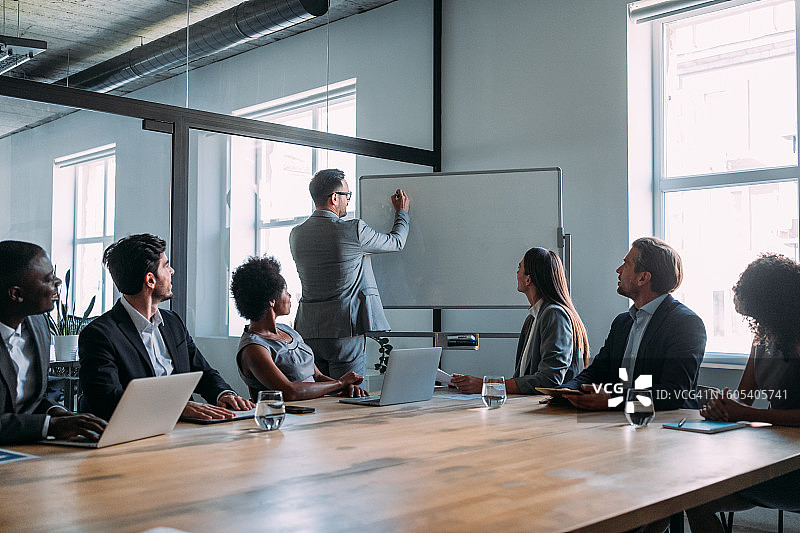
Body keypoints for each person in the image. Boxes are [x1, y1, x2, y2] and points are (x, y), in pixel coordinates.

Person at [79, 234, 253, 421]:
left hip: (187, 430)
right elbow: (107, 400)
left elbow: (202, 371)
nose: (172, 271)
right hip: (135, 437)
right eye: (166, 265)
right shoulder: (99, 335)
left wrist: (223, 394)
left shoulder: (173, 322)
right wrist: (175, 407)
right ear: (150, 280)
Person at [686, 254, 800, 532]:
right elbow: (743, 398)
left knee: (695, 491)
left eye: (759, 314)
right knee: (692, 496)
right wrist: (722, 406)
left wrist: (744, 413)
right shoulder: (762, 337)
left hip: (792, 466)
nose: (756, 322)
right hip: (774, 454)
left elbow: (748, 409)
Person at [558, 237, 706, 410]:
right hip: (619, 424)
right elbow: (597, 372)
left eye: (626, 264)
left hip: (666, 427)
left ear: (643, 278)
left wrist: (612, 400)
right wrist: (566, 391)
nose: (618, 270)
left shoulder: (686, 324)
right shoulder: (622, 322)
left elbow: (673, 392)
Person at [289, 168, 410, 379]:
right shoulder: (353, 230)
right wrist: (403, 213)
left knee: (320, 399)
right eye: (347, 196)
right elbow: (396, 242)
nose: (348, 201)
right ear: (334, 198)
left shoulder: (296, 234)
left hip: (308, 331)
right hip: (344, 331)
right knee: (349, 396)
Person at [0, 240, 106, 443]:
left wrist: (58, 413)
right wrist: (49, 426)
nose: (58, 282)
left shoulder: (39, 325)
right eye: (48, 279)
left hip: (30, 452)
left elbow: (29, 401)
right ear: (16, 294)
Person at [450, 247, 589, 394]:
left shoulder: (554, 314)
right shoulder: (532, 319)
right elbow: (524, 379)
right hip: (529, 408)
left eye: (519, 268)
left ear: (528, 279)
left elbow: (549, 380)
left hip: (549, 413)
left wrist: (486, 385)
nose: (516, 273)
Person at [230, 255, 368, 401]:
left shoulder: (289, 331)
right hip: (286, 418)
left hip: (315, 412)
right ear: (271, 300)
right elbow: (290, 392)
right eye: (285, 291)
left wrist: (345, 387)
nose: (289, 295)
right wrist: (339, 383)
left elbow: (317, 376)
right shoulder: (254, 349)